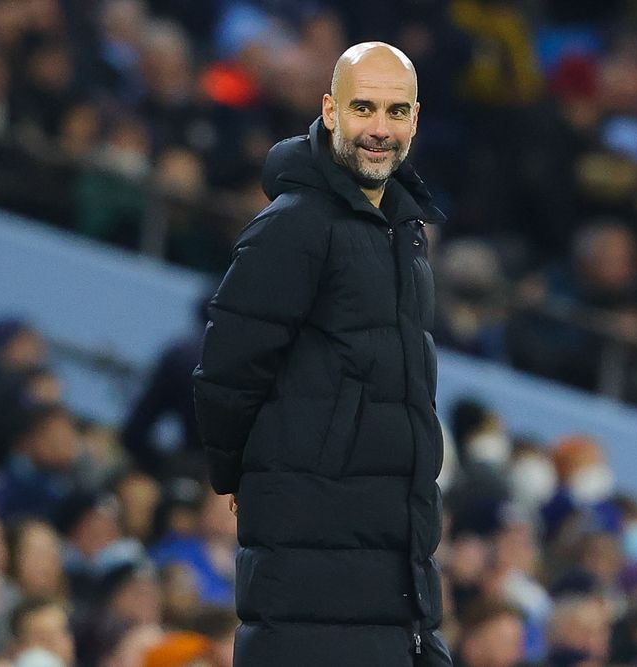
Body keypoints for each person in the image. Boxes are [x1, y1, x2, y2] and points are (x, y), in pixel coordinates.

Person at [193, 42, 451, 665]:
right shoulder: (294, 225)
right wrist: (238, 476)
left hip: (391, 556)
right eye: (364, 108)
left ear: (415, 119)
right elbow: (227, 371)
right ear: (331, 111)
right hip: (311, 549)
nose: (379, 130)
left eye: (395, 112)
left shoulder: (405, 233)